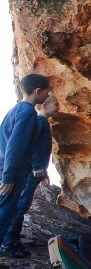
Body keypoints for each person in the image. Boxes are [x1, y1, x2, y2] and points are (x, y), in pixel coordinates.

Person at [0, 74, 51, 258]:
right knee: (5, 213)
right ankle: (8, 244)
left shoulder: (15, 110)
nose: (47, 95)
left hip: (6, 168)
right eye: (46, 92)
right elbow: (16, 145)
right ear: (37, 91)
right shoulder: (28, 112)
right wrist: (9, 176)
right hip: (13, 173)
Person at [5, 94, 59, 255]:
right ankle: (9, 243)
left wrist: (45, 172)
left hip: (36, 172)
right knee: (21, 206)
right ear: (44, 105)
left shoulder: (42, 122)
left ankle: (13, 239)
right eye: (56, 104)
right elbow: (32, 145)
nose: (58, 108)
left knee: (23, 205)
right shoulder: (39, 121)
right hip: (31, 172)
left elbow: (42, 151)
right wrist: (36, 166)